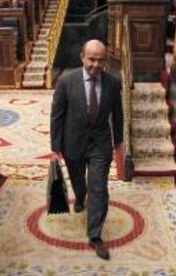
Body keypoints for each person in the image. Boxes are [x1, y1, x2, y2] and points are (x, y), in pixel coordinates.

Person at [50, 39, 123, 260]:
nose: (96, 65)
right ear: (82, 57)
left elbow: (118, 114)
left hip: (100, 142)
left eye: (101, 60)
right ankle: (80, 197)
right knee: (78, 179)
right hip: (72, 141)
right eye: (92, 59)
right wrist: (55, 147)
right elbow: (57, 114)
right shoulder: (65, 81)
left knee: (99, 187)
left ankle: (94, 235)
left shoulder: (112, 82)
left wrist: (118, 141)